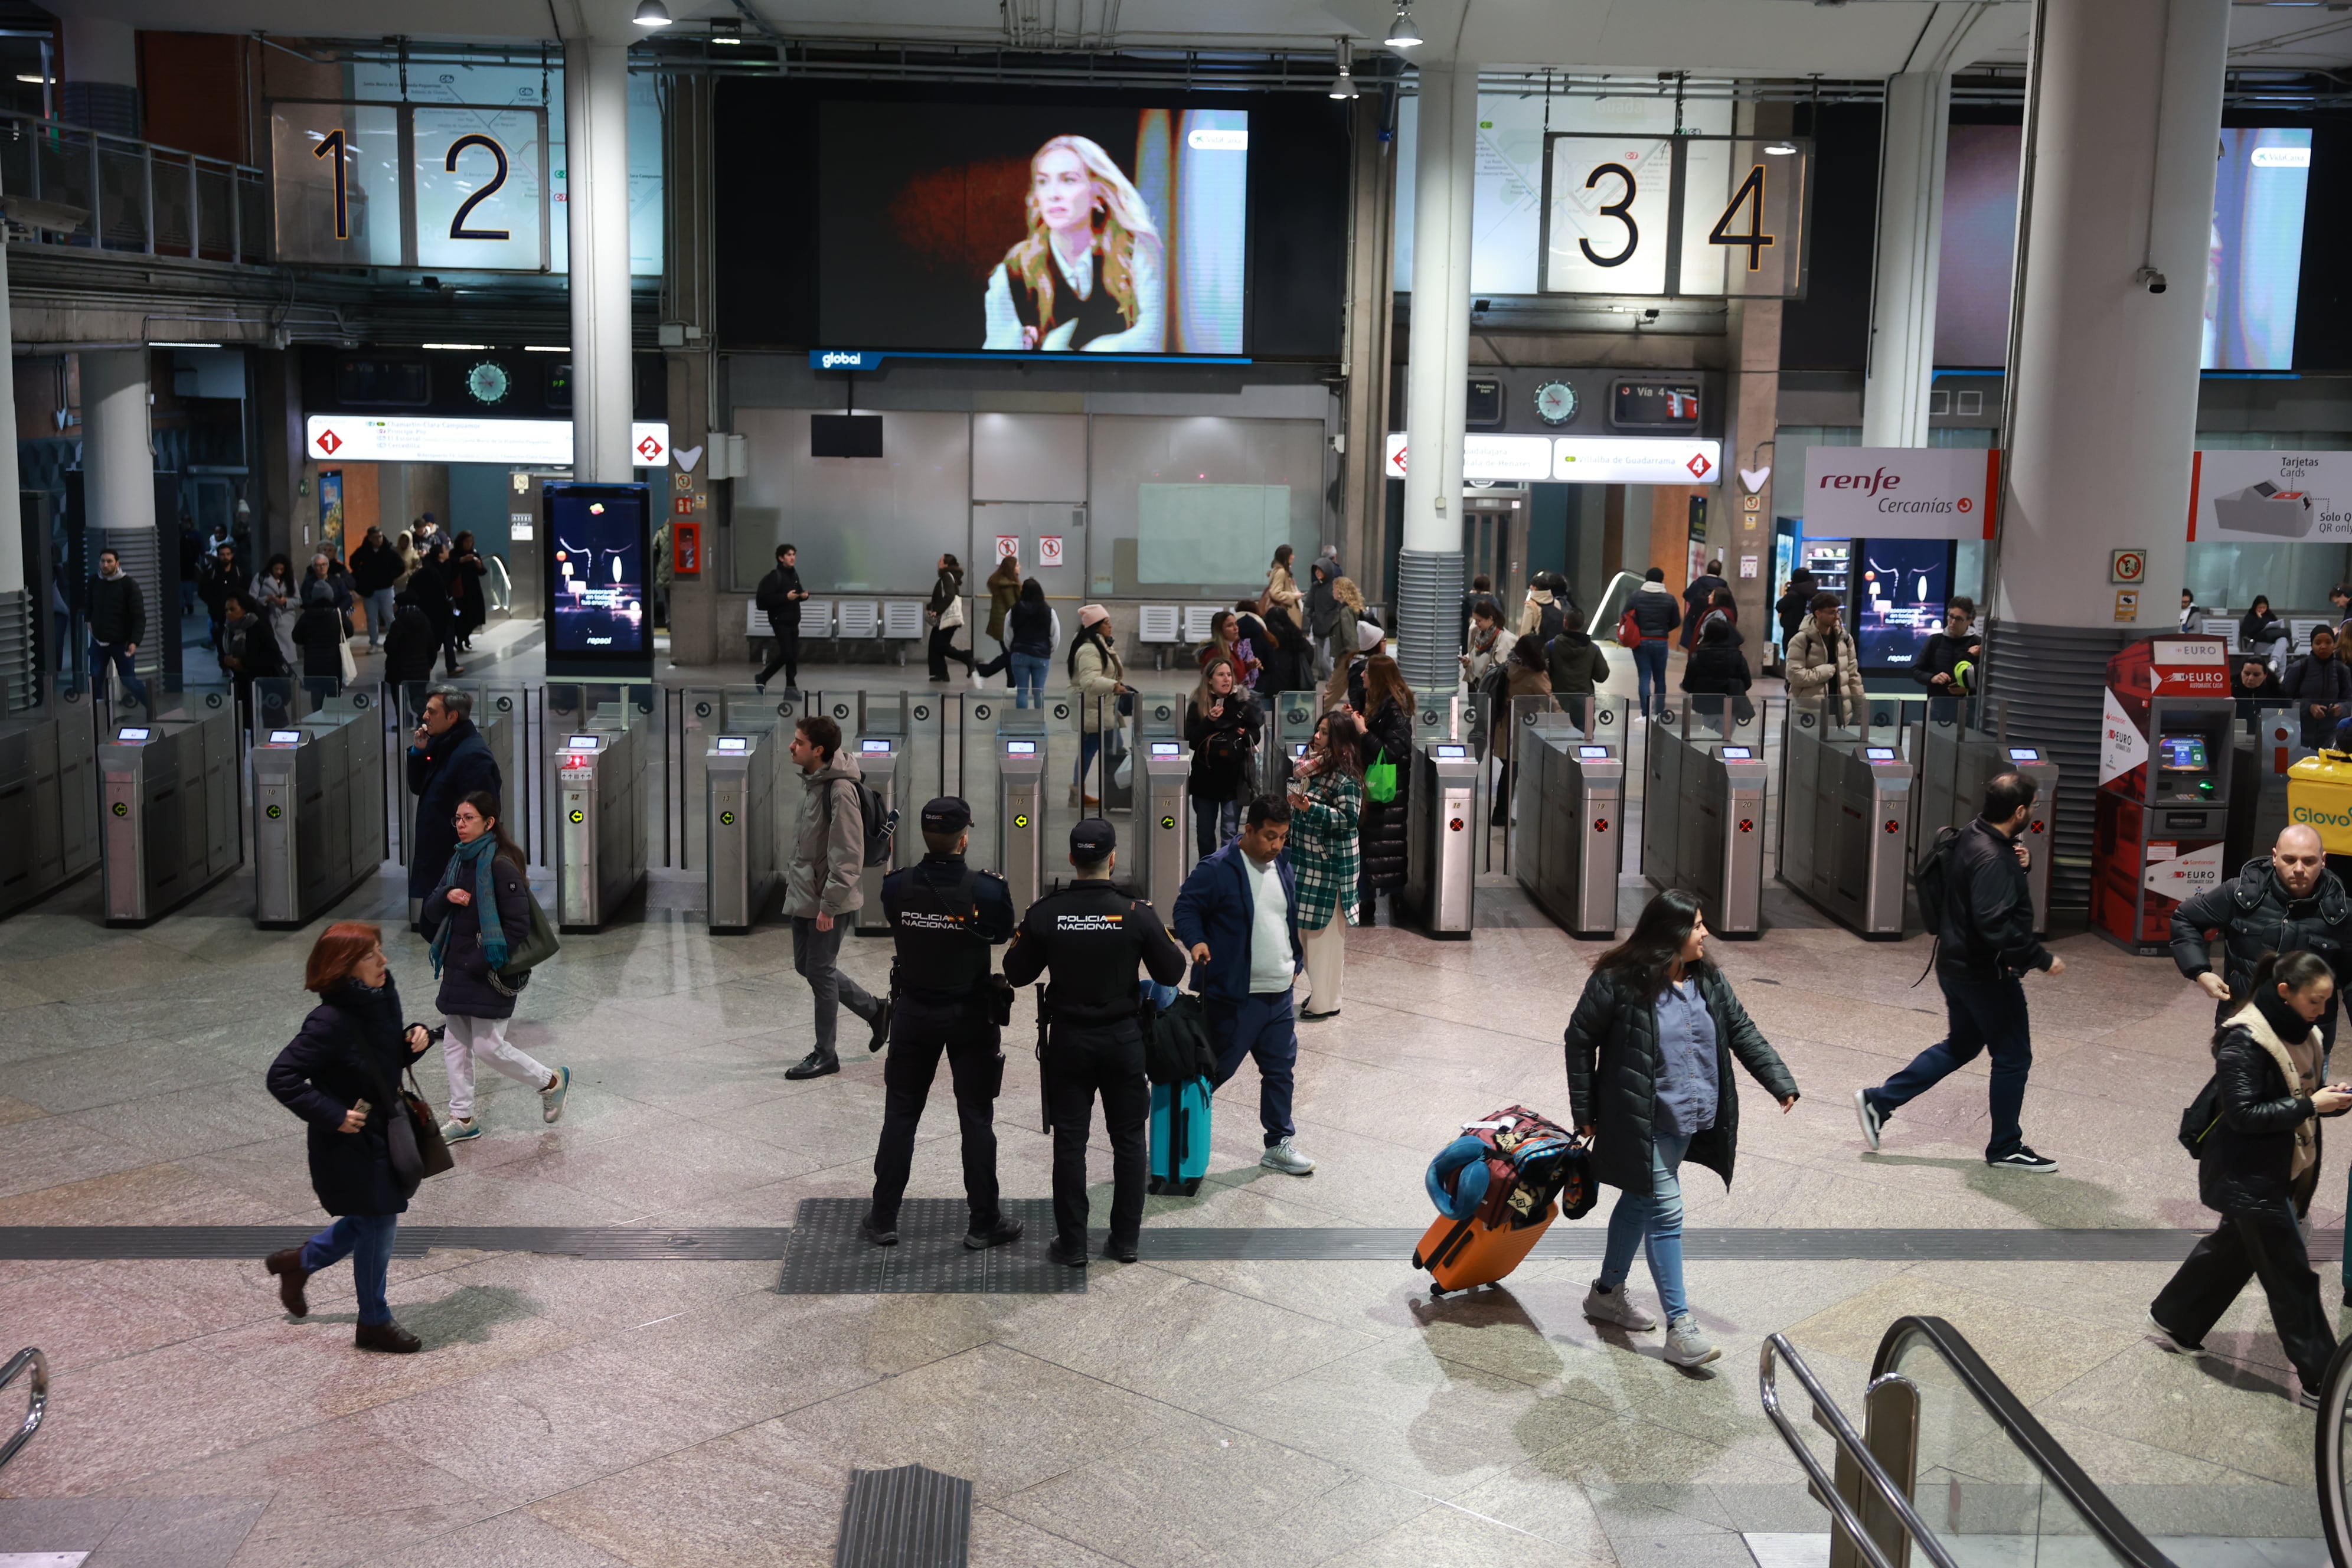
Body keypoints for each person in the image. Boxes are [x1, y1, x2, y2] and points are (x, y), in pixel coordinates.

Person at [1566, 888, 1799, 1368]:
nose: (1705, 933)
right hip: (1637, 1119)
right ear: (1669, 933)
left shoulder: (1707, 979)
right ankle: (1681, 1328)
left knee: (1638, 1201)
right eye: (1696, 926)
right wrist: (1584, 1110)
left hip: (1687, 1116)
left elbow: (1741, 1030)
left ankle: (1606, 1295)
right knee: (1666, 1211)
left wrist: (1779, 1082)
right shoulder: (1618, 981)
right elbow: (1579, 1039)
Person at [2148, 950, 2347, 1408]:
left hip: (2278, 1169)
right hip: (2248, 1174)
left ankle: (2175, 1319)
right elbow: (2243, 1114)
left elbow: (2303, 1093)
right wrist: (2312, 1105)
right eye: (2315, 1001)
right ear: (2285, 993)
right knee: (2291, 1278)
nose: (2323, 1011)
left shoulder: (2306, 1033)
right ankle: (2329, 1383)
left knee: (2234, 1250)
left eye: (2326, 1001)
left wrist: (2328, 1100)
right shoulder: (2246, 1040)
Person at [1856, 773, 2066, 1172]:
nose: (2035, 812)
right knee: (2013, 1057)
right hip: (1985, 973)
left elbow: (1981, 892)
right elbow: (1994, 924)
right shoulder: (1995, 857)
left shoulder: (1975, 834)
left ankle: (1879, 1101)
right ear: (2019, 811)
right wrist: (2040, 958)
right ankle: (2006, 1146)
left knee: (1962, 1045)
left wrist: (2020, 862)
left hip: (1955, 963)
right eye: (2033, 807)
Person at [1004, 819, 1190, 1265]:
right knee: (1128, 1140)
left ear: (1071, 858)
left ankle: (1071, 1245)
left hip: (1068, 1040)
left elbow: (1016, 972)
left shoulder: (1046, 913)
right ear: (1112, 859)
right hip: (1124, 1038)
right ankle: (1125, 1241)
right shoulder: (1135, 912)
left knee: (1070, 1141)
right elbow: (1172, 972)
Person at [263, 921, 440, 1353]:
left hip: (384, 1126)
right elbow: (281, 1075)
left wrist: (414, 1039)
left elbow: (375, 1059)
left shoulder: (379, 999)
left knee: (372, 1218)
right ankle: (374, 1321)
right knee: (379, 1218)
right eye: (370, 956)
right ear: (345, 967)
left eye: (380, 951)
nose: (383, 962)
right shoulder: (329, 1020)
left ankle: (299, 1263)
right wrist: (332, 1115)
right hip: (350, 1140)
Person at [863, 796, 1023, 1252]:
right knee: (975, 1116)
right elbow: (1000, 932)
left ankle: (884, 1219)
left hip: (914, 1013)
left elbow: (896, 920)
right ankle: (983, 1223)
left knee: (901, 1114)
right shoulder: (988, 890)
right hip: (971, 1015)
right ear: (964, 837)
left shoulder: (897, 886)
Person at [1174, 795, 1315, 1177]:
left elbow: (1283, 915)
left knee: (1280, 1071)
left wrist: (1295, 960)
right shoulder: (1217, 869)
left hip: (1279, 996)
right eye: (1270, 837)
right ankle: (1175, 1139)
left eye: (1283, 838)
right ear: (1248, 829)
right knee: (1211, 1073)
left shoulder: (1281, 863)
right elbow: (1185, 908)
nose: (1277, 846)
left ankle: (1278, 1143)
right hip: (1234, 997)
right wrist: (1197, 941)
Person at [424, 792, 568, 1142]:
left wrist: (478, 962)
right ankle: (463, 1118)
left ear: (489, 823)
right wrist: (447, 896)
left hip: (489, 970)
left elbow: (517, 927)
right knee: (456, 1043)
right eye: (457, 818)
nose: (460, 825)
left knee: (488, 1046)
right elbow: (430, 910)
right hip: (458, 967)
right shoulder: (459, 862)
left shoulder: (501, 866)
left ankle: (551, 1081)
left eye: (468, 818)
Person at [2171, 824, 2350, 1053]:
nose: (2298, 869)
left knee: (2305, 1092)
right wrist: (2200, 972)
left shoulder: (2342, 912)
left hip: (2307, 1041)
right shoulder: (2241, 894)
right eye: (2289, 859)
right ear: (2275, 857)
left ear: (2323, 860)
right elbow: (2185, 917)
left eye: (2308, 861)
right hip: (2244, 1029)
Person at [982, 134, 1165, 353]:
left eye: (1068, 180)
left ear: (1097, 193)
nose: (1053, 194)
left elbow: (1154, 335)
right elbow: (998, 356)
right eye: (1043, 182)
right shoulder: (1014, 272)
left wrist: (1092, 352)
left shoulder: (1133, 251)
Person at [783, 714, 890, 1080]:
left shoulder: (839, 790)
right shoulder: (814, 783)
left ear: (819, 750)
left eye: (799, 742)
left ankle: (825, 1053)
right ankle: (876, 1011)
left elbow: (848, 855)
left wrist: (829, 905)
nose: (792, 746)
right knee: (807, 966)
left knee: (820, 971)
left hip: (826, 900)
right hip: (805, 894)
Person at [1287, 710, 1363, 1021]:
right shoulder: (1310, 768)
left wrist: (1311, 808)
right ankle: (1322, 992)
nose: (1316, 737)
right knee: (1307, 936)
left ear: (1340, 740)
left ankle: (1326, 1001)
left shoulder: (1346, 778)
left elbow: (1349, 821)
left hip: (1332, 870)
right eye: (1317, 731)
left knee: (1325, 941)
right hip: (1306, 865)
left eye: (1324, 733)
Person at [406, 688, 502, 915]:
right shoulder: (443, 745)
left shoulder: (472, 756)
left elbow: (484, 815)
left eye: (432, 711)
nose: (424, 717)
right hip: (439, 859)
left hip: (456, 865)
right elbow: (419, 787)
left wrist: (471, 868)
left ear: (452, 717)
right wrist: (419, 752)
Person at [1353, 652, 1414, 926]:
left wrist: (1364, 732)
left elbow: (1391, 753)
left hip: (1386, 791)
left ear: (1377, 677)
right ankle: (1366, 902)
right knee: (1373, 846)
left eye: (1367, 672)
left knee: (1386, 846)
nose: (1363, 675)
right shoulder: (1374, 702)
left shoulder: (1395, 710)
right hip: (1369, 787)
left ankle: (1390, 900)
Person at [1185, 656, 1260, 857]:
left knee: (1230, 834)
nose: (1226, 679)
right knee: (1205, 836)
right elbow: (1191, 740)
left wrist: (1246, 736)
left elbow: (1256, 734)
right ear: (1209, 680)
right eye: (1220, 675)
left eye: (1229, 675)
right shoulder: (1198, 705)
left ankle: (1226, 873)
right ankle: (1207, 872)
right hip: (1205, 782)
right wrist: (1209, 721)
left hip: (1233, 783)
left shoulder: (1242, 704)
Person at [1069, 603, 1131, 808]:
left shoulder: (1100, 644)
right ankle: (1116, 792)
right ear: (1096, 626)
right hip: (1094, 709)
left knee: (1107, 748)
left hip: (1102, 708)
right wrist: (1115, 686)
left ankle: (1088, 792)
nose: (1111, 626)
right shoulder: (1089, 650)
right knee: (1108, 749)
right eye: (1106, 622)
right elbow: (1089, 681)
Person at [1491, 631, 1553, 818]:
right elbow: (1549, 701)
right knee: (1515, 771)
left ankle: (1501, 813)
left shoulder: (1510, 666)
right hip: (1524, 729)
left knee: (1509, 770)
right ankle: (1505, 815)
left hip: (1505, 726)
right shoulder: (1536, 674)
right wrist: (1564, 721)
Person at [1785, 592, 1865, 720]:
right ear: (1818, 614)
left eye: (1838, 612)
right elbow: (1795, 676)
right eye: (1832, 612)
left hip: (1839, 710)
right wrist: (1826, 671)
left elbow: (1853, 676)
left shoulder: (1844, 639)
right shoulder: (1801, 640)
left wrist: (1861, 708)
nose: (1837, 617)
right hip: (1809, 713)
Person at [87, 545, 149, 709]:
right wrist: (89, 623)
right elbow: (88, 606)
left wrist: (135, 642)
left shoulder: (128, 585)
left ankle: (151, 707)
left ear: (117, 563)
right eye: (102, 561)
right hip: (99, 642)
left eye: (109, 561)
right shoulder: (94, 581)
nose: (105, 565)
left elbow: (139, 617)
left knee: (129, 680)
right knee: (95, 679)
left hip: (121, 643)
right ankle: (99, 715)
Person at [1913, 597, 1984, 722]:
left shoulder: (1978, 645)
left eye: (1959, 619)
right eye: (1951, 616)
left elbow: (1986, 682)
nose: (1953, 622)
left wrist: (1969, 688)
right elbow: (1916, 671)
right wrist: (1932, 678)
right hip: (1937, 711)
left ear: (1970, 621)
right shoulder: (1935, 641)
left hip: (1967, 713)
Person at [2281, 625, 2352, 749]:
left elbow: (2349, 701)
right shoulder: (2298, 668)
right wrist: (2309, 708)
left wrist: (2341, 708)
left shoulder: (2342, 670)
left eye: (2328, 642)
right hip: (2300, 734)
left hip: (2331, 735)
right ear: (2312, 645)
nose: (2323, 646)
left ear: (2334, 644)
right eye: (2318, 643)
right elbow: (2283, 700)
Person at [1625, 567, 1681, 717]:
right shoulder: (1669, 599)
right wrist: (1664, 629)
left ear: (1646, 579)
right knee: (1660, 677)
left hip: (1641, 641)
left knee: (1644, 676)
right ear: (1662, 580)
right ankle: (1659, 712)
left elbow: (1625, 616)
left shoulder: (1636, 597)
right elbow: (1677, 621)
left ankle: (1645, 714)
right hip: (1661, 641)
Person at [1680, 616, 1752, 729]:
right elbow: (1747, 683)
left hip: (1705, 707)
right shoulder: (1737, 657)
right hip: (1730, 707)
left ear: (1707, 634)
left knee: (1703, 743)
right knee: (1724, 742)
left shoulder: (1698, 657)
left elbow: (1687, 685)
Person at [1546, 609, 1612, 732]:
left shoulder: (1551, 646)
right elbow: (1602, 675)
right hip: (1584, 701)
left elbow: (1543, 672)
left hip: (1558, 700)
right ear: (1583, 623)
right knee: (1584, 739)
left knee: (1557, 739)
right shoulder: (1593, 649)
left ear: (1565, 623)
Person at [756, 543, 808, 694]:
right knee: (787, 654)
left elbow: (797, 594)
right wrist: (785, 597)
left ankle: (790, 688)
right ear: (781, 558)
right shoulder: (774, 577)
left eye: (794, 555)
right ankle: (763, 676)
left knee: (792, 656)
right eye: (789, 555)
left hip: (793, 620)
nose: (793, 558)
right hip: (780, 621)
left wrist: (804, 596)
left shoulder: (794, 574)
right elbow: (765, 600)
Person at [404, 541, 462, 677]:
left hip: (438, 610)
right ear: (440, 555)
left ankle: (448, 665)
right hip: (438, 611)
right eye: (445, 550)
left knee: (445, 637)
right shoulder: (432, 572)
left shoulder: (442, 567)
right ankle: (430, 666)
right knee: (438, 639)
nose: (448, 551)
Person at [1004, 577, 1057, 708]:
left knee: (1022, 691)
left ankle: (1022, 722)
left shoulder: (1014, 610)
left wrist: (1012, 648)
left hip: (1019, 654)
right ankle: (1040, 721)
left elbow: (1007, 634)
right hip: (1041, 655)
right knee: (1039, 691)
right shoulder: (1049, 611)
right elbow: (1055, 634)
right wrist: (1050, 649)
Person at [291, 579, 347, 700]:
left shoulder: (307, 615)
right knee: (334, 700)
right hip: (334, 664)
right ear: (331, 596)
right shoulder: (337, 614)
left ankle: (318, 718)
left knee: (317, 699)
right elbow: (349, 631)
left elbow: (296, 636)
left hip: (313, 664)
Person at [350, 527, 402, 652]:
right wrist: (361, 577)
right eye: (375, 537)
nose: (379, 540)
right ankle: (374, 642)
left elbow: (401, 566)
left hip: (386, 588)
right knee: (372, 618)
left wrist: (390, 576)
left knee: (389, 615)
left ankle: (395, 640)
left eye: (380, 536)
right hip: (370, 590)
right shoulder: (364, 551)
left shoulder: (389, 551)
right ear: (370, 539)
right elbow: (353, 563)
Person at [926, 552, 975, 682]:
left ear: (946, 564)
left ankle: (967, 657)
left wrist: (937, 610)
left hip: (947, 617)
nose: (938, 562)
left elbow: (950, 596)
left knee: (941, 646)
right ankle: (941, 673)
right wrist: (932, 606)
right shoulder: (949, 576)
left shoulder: (947, 576)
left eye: (941, 560)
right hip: (945, 616)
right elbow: (943, 596)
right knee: (936, 645)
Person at [381, 593, 440, 690]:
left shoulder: (398, 623)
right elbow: (432, 647)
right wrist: (430, 665)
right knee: (418, 701)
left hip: (399, 673)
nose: (393, 606)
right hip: (421, 673)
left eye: (395, 604)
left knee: (400, 702)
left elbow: (389, 647)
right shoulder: (425, 621)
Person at [1198, 609, 1261, 691]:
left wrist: (1249, 666)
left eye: (1236, 624)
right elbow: (1210, 681)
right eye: (1230, 625)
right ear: (1220, 630)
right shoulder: (1215, 652)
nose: (1236, 628)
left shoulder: (1232, 647)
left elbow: (1237, 674)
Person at [253, 553, 298, 665]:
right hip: (268, 617)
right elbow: (252, 598)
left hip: (286, 619)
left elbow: (298, 600)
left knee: (287, 651)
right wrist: (267, 599)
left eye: (281, 569)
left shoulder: (290, 580)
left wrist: (285, 601)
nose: (279, 572)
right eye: (276, 569)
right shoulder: (261, 578)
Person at [1459, 597, 1513, 691]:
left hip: (1495, 690)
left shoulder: (1505, 639)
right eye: (1475, 620)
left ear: (1490, 619)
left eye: (1479, 621)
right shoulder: (1478, 634)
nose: (1476, 624)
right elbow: (1474, 655)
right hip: (1481, 686)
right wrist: (1468, 662)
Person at [984, 547, 1023, 670]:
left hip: (1002, 623)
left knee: (1010, 655)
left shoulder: (1004, 583)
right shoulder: (1008, 586)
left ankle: (1011, 685)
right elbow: (1013, 607)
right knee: (1010, 656)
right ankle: (982, 671)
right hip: (1006, 625)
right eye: (1017, 565)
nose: (1020, 567)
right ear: (1011, 568)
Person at [197, 539, 239, 653]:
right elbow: (202, 591)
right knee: (221, 642)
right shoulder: (212, 573)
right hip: (218, 613)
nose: (225, 557)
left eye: (228, 554)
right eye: (222, 555)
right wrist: (213, 603)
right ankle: (225, 667)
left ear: (232, 555)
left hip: (237, 614)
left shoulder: (238, 572)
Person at [448, 531, 488, 651]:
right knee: (460, 615)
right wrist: (463, 560)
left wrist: (479, 566)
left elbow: (482, 571)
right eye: (467, 542)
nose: (469, 544)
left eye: (471, 542)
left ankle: (466, 636)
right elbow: (452, 566)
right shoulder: (454, 554)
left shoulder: (474, 553)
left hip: (473, 589)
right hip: (460, 590)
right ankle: (460, 640)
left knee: (475, 614)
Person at [1306, 547, 1340, 678]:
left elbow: (1339, 607)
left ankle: (1331, 683)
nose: (1318, 573)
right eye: (1316, 571)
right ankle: (1328, 682)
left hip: (1330, 629)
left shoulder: (1335, 588)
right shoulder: (1315, 588)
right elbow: (1309, 607)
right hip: (1318, 627)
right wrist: (1305, 628)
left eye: (1320, 570)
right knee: (1321, 661)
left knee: (1325, 660)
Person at [1680, 561, 1728, 652]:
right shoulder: (1724, 587)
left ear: (1707, 570)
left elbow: (1687, 595)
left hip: (1695, 623)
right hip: (1715, 624)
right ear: (1720, 572)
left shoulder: (1699, 583)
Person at [1775, 569, 1818, 656]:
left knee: (1791, 656)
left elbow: (1780, 606)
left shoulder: (1793, 593)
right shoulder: (1815, 593)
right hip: (1811, 630)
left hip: (1792, 630)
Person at [2242, 596, 2288, 669]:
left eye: (2264, 607)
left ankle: (2274, 662)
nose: (2262, 610)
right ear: (2255, 607)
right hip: (2258, 644)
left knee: (2283, 639)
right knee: (2282, 650)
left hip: (2272, 642)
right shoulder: (2250, 617)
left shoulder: (2270, 615)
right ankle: (2280, 675)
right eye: (2260, 608)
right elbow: (2249, 633)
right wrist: (2260, 620)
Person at [1265, 544, 1304, 626]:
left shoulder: (1281, 571)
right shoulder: (1281, 572)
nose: (1294, 557)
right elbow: (1275, 593)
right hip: (1287, 614)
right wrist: (1294, 596)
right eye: (1291, 555)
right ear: (1286, 557)